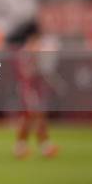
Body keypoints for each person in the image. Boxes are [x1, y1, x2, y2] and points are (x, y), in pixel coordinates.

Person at [10, 21, 59, 159]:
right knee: (36, 116)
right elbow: (27, 72)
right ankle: (44, 146)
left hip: (33, 89)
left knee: (31, 117)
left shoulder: (29, 52)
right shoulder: (26, 53)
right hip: (28, 89)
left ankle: (22, 146)